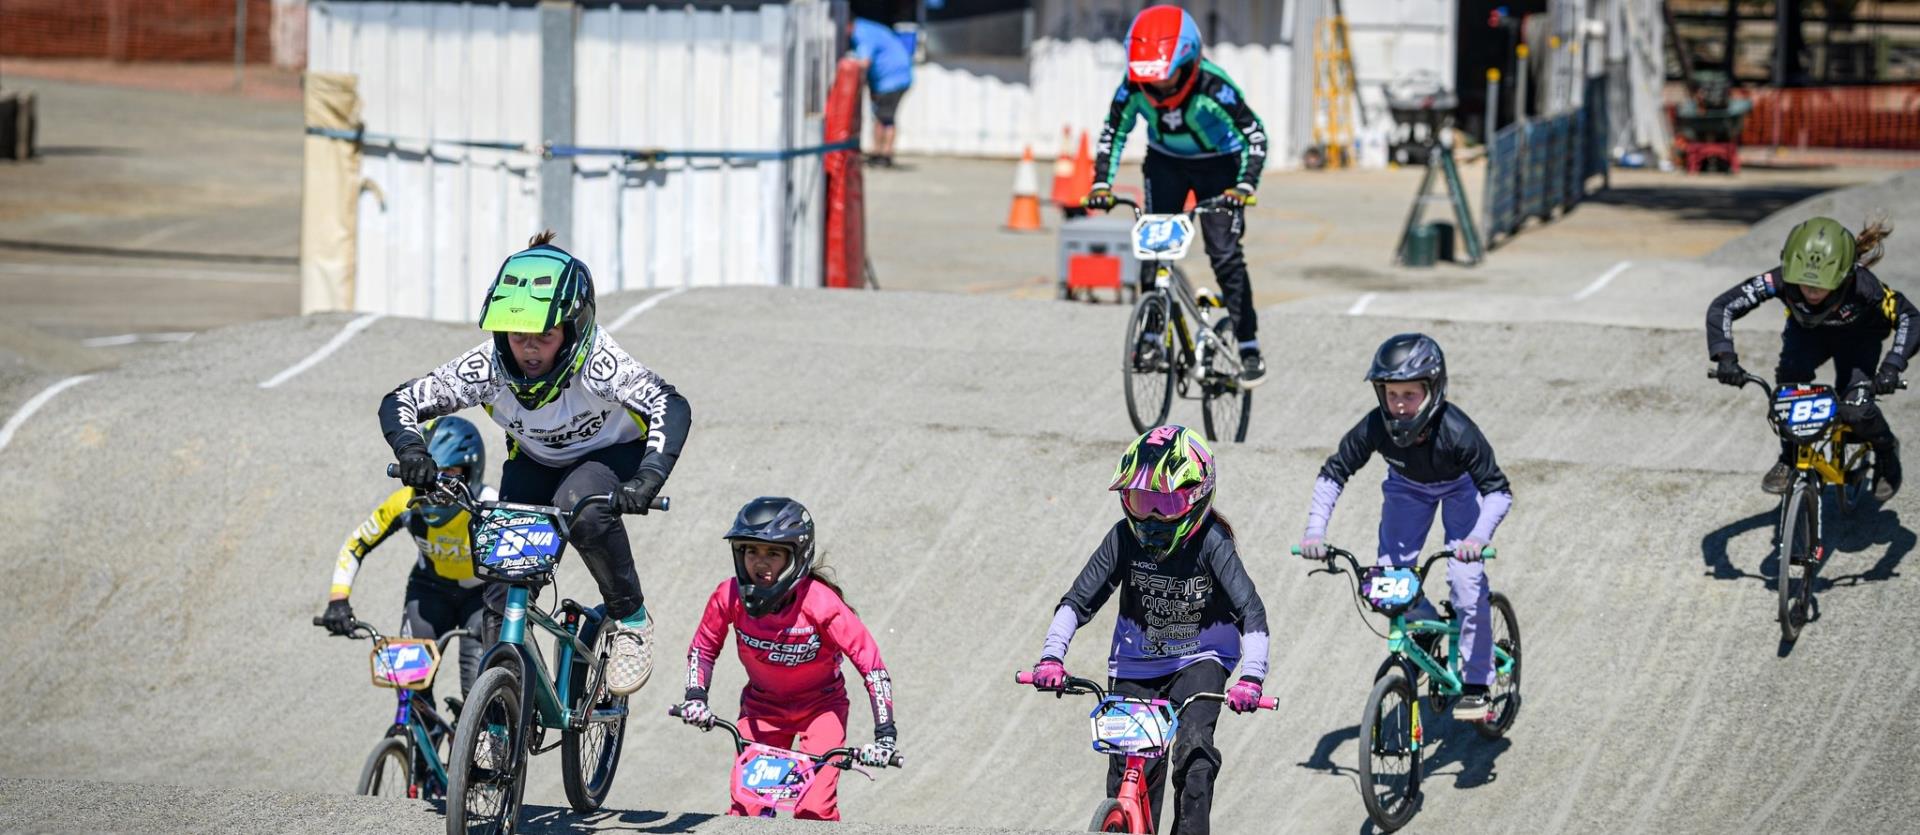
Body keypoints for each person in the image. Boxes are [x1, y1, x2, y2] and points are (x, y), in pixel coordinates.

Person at [378, 230, 691, 697]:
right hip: (535, 462)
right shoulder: (487, 367)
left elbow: (671, 404)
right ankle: (499, 715)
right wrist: (412, 452)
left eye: (544, 337)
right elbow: (400, 400)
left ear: (574, 330)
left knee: (580, 507)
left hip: (609, 455)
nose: (528, 349)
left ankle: (630, 619)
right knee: (500, 598)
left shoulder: (599, 364)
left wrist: (649, 476)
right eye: (518, 335)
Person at [1027, 425, 1269, 835]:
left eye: (1165, 503)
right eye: (1141, 501)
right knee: (1129, 765)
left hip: (1201, 658)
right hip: (1136, 662)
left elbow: (1252, 613)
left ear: (1196, 497)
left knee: (1193, 751)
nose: (1151, 518)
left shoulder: (1211, 542)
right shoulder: (1124, 537)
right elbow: (1077, 600)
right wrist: (1051, 656)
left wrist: (1251, 678)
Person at [1295, 334, 1513, 720]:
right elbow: (1334, 473)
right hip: (1406, 489)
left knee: (1465, 585)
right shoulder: (1376, 425)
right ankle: (1426, 630)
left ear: (1433, 390)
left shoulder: (1458, 432)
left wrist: (1478, 538)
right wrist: (1315, 532)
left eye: (1409, 395)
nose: (1398, 404)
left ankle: (1478, 683)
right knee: (1390, 582)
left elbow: (1498, 491)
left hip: (1460, 488)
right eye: (1391, 394)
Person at [675, 497, 899, 820]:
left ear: (796, 557)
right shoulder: (728, 596)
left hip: (821, 710)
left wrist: (885, 736)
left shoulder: (822, 604)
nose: (759, 563)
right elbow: (703, 648)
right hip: (762, 710)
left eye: (773, 553)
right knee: (747, 812)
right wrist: (695, 696)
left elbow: (872, 666)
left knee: (813, 811)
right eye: (751, 551)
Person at [1083, 5, 1271, 387]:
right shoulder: (1133, 86)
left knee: (1224, 254)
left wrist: (1245, 184)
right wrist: (1101, 183)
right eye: (1152, 81)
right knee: (1153, 245)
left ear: (1189, 63)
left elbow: (1256, 136)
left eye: (1168, 79)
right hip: (1166, 163)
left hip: (1220, 167)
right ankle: (1152, 335)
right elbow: (1112, 134)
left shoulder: (1214, 87)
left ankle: (1249, 343)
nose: (1160, 89)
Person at [1707, 217, 1915, 500]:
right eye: (1803, 284)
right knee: (1788, 383)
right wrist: (1724, 356)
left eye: (1821, 286)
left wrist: (1892, 366)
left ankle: (1886, 450)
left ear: (1844, 275)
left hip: (1859, 340)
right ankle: (1789, 456)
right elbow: (1724, 306)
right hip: (1808, 335)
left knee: (1855, 408)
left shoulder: (1865, 286)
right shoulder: (1778, 279)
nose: (1812, 292)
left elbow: (1910, 317)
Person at [320, 416, 497, 702]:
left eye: (450, 472)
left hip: (481, 597)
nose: (439, 486)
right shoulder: (404, 502)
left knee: (477, 693)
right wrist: (338, 599)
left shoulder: (491, 506)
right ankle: (417, 741)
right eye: (432, 473)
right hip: (429, 591)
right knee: (410, 687)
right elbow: (355, 544)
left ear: (471, 471)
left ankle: (479, 739)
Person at [850, 17, 913, 168]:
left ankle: (883, 154)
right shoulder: (868, 28)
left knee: (885, 118)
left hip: (892, 79)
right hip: (893, 77)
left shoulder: (862, 33)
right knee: (883, 117)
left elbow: (864, 63)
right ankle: (880, 152)